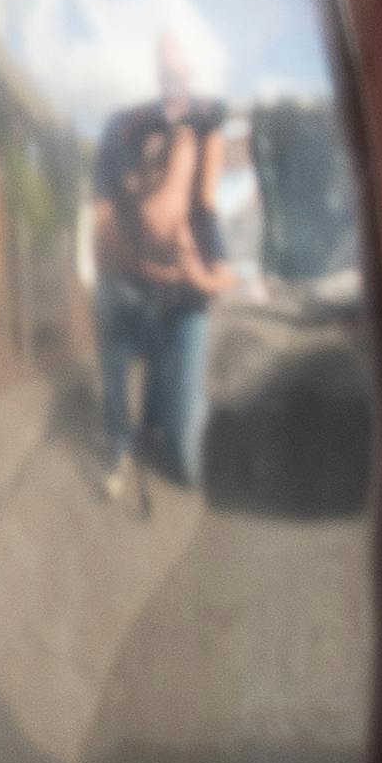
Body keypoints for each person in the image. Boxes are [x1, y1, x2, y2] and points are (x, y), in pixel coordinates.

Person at [90, 38, 241, 499]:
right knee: (117, 357)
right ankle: (122, 438)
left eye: (182, 73)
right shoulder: (126, 132)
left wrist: (195, 276)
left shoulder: (201, 214)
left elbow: (225, 274)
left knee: (189, 464)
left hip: (180, 300)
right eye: (166, 73)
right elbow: (102, 212)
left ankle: (179, 410)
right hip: (130, 287)